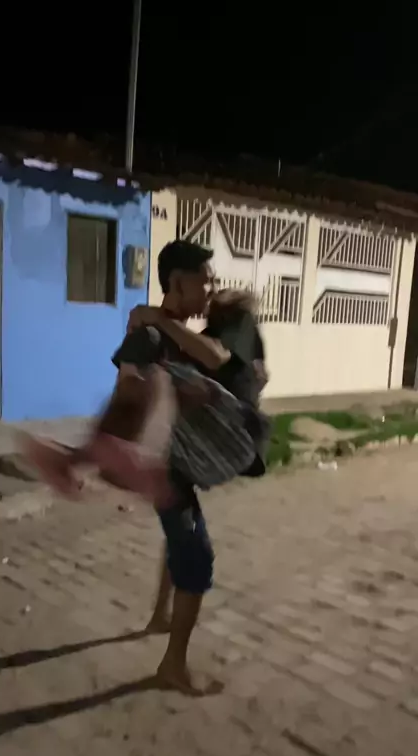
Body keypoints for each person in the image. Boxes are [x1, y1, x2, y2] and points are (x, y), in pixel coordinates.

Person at [113, 240, 269, 695]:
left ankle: (160, 616)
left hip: (180, 465)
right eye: (205, 279)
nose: (211, 287)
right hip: (164, 468)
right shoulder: (148, 337)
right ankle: (173, 666)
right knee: (196, 557)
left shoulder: (179, 334)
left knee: (180, 538)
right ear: (178, 282)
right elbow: (127, 393)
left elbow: (217, 359)